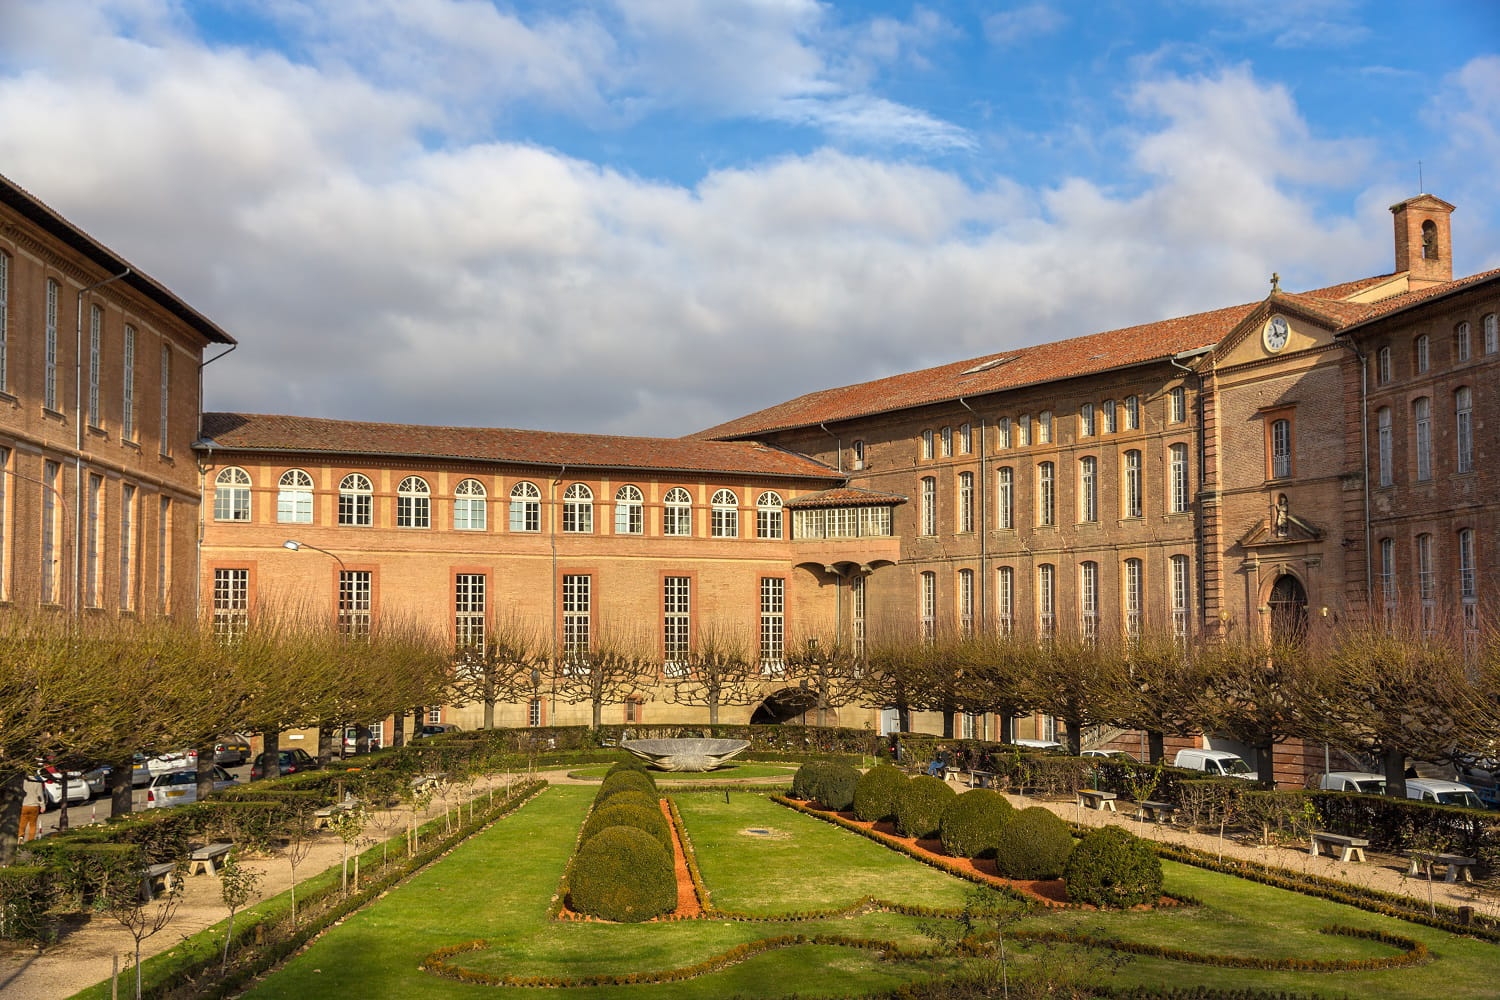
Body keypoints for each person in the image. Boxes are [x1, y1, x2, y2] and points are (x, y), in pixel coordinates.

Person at [19, 774, 45, 843]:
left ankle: (20, 840)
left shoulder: (21, 780)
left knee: (22, 825)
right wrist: (42, 805)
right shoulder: (38, 781)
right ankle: (30, 841)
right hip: (34, 805)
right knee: (32, 825)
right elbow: (40, 795)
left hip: (23, 805)